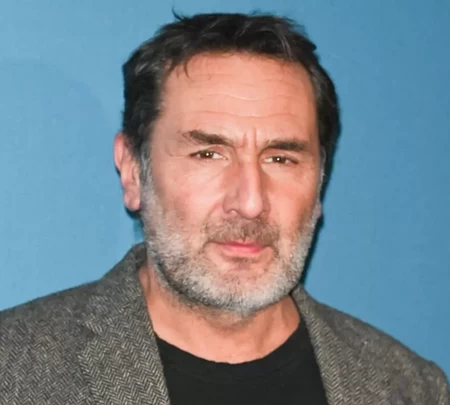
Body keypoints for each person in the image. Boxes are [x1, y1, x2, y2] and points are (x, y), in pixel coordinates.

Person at [0, 11, 448, 405]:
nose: (250, 203)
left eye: (281, 159)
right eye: (208, 154)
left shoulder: (409, 388)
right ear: (133, 171)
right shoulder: (15, 371)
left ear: (320, 182)